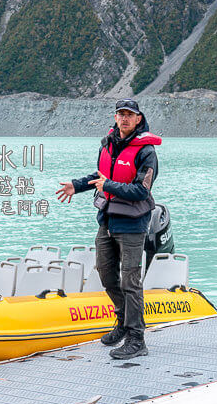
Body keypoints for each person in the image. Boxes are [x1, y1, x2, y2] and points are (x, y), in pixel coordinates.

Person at [56, 98, 160, 359]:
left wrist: (109, 186)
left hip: (133, 224)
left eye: (129, 114)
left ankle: (137, 338)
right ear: (115, 118)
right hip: (107, 220)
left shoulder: (146, 152)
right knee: (106, 274)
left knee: (131, 282)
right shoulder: (108, 144)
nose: (124, 118)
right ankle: (123, 322)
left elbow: (140, 190)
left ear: (138, 118)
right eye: (120, 114)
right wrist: (77, 185)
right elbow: (100, 176)